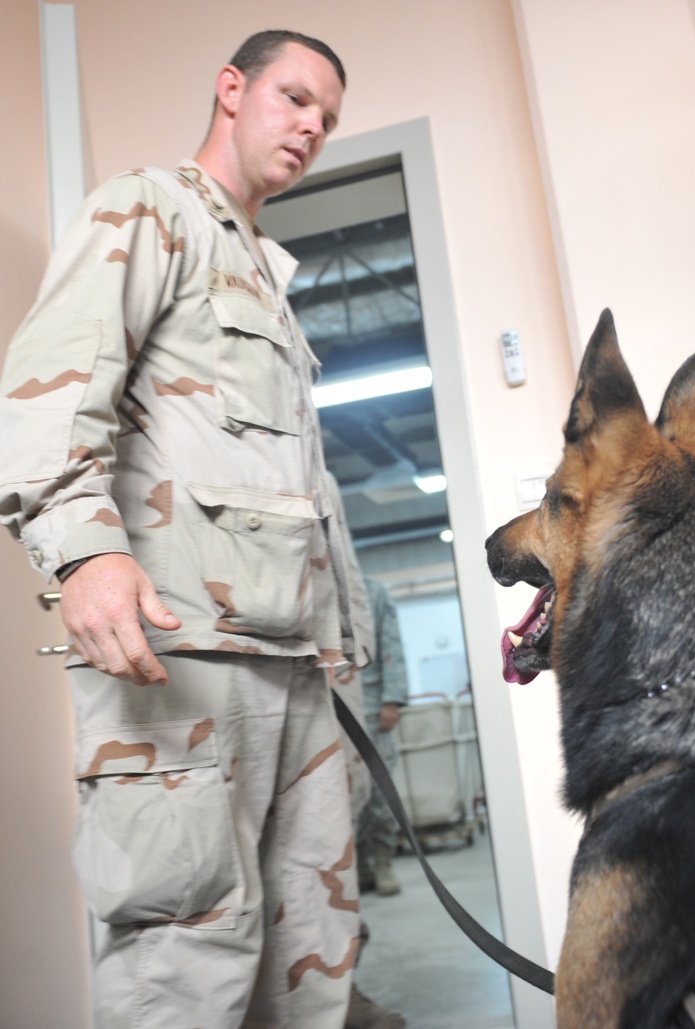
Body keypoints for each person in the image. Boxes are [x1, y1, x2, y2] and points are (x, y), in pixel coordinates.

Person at [0, 30, 375, 1029]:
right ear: (230, 88)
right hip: (183, 658)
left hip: (297, 670)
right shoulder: (151, 208)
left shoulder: (266, 281)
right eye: (295, 98)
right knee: (188, 959)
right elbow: (51, 388)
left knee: (313, 956)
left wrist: (344, 649)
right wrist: (84, 552)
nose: (311, 127)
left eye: (327, 119)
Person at [357, 577, 410, 897]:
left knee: (380, 792)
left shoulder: (374, 592)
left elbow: (391, 645)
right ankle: (360, 866)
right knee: (347, 795)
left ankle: (383, 862)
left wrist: (391, 699)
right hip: (333, 705)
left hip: (373, 705)